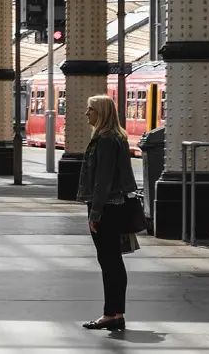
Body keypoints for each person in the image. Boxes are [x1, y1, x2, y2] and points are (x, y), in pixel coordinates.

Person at [77, 95, 138, 331]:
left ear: (101, 112)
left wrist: (95, 213)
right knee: (114, 261)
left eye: (90, 109)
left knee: (109, 262)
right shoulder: (116, 138)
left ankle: (110, 314)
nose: (86, 113)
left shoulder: (105, 140)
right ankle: (116, 313)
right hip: (115, 205)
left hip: (107, 208)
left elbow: (102, 181)